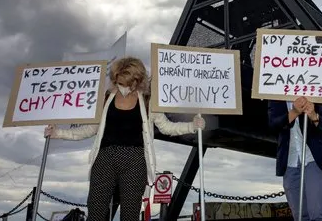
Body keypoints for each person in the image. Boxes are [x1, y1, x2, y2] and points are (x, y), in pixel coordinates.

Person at [45, 57, 205, 221]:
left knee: (130, 213)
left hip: (135, 161)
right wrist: (58, 133)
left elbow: (166, 127)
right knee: (95, 210)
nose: (123, 88)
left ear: (138, 81)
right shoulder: (106, 98)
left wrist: (192, 126)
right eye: (119, 83)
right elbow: (89, 130)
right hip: (104, 158)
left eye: (128, 84)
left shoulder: (148, 101)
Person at [268, 96, 322, 221]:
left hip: (314, 160)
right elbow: (273, 125)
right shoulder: (275, 96)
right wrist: (294, 112)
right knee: (299, 216)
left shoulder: (316, 92)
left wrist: (314, 116)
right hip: (289, 163)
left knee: (318, 214)